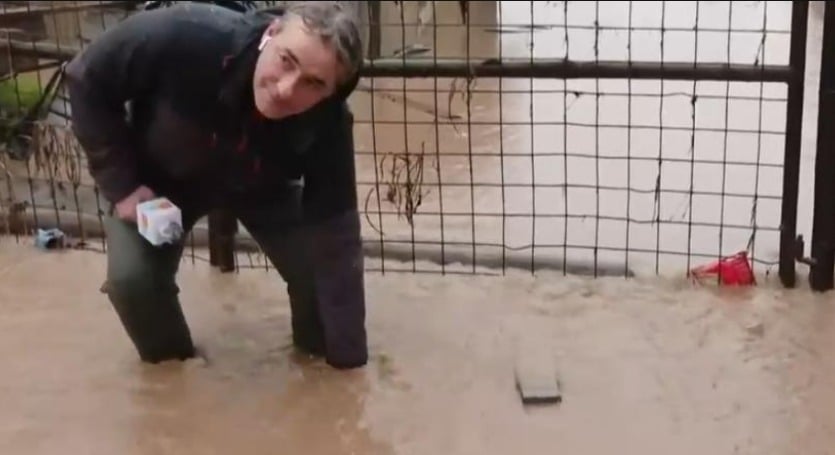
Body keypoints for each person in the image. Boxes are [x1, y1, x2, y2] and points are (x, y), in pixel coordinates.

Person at [64, 1, 368, 369]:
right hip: (162, 181)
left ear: (330, 93)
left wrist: (347, 377)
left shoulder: (329, 121)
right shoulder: (184, 34)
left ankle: (313, 358)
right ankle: (173, 372)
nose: (286, 89)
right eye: (286, 60)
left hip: (263, 189)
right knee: (133, 282)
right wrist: (123, 186)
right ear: (270, 35)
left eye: (314, 83)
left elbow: (336, 234)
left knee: (320, 279)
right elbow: (86, 76)